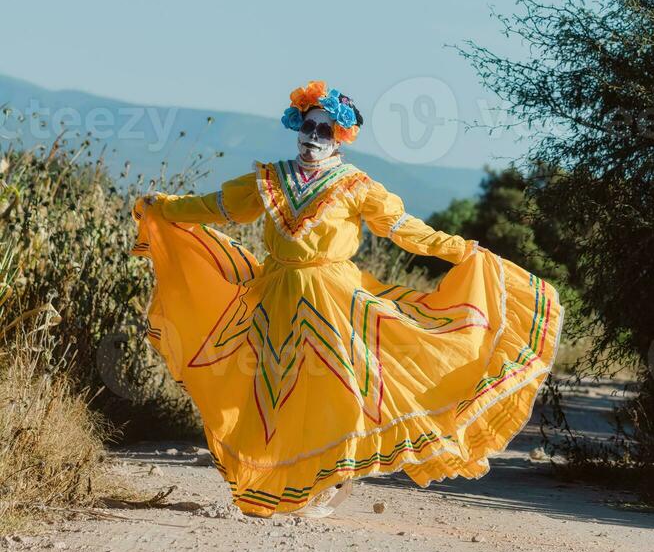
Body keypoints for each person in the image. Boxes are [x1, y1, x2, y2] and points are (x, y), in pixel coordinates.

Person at [133, 80, 562, 518]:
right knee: (274, 391)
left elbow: (405, 231)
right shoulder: (271, 180)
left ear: (340, 138)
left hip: (335, 300)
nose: (312, 138)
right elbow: (218, 207)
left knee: (338, 387)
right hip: (275, 295)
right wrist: (166, 209)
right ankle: (286, 482)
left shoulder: (356, 186)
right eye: (308, 127)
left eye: (324, 131)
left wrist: (462, 250)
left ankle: (335, 477)